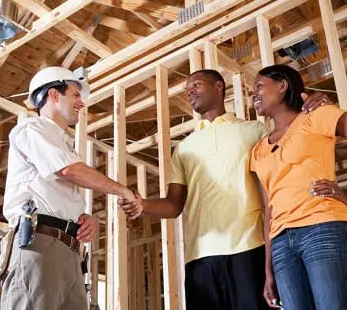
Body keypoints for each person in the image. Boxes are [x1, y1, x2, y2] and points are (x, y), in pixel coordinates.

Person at [120, 69, 330, 310]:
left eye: (196, 84)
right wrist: (142, 204)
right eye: (187, 88)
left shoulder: (254, 131)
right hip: (199, 258)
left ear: (219, 87)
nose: (189, 91)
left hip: (249, 249)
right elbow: (174, 204)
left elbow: (288, 161)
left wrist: (318, 103)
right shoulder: (184, 148)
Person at [249, 64, 347, 310]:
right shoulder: (259, 150)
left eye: (259, 87)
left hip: (323, 229)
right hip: (282, 245)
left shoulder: (317, 115)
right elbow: (269, 208)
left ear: (283, 86)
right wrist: (268, 270)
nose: (253, 95)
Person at [1, 66, 136, 310]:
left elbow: (58, 192)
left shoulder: (63, 144)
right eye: (75, 95)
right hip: (39, 243)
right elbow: (69, 171)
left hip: (70, 250)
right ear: (54, 95)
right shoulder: (32, 130)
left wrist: (82, 219)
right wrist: (123, 191)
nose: (81, 103)